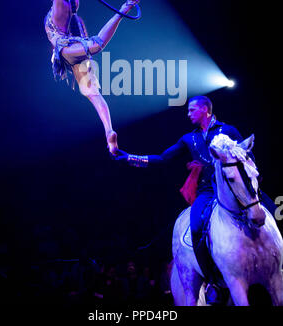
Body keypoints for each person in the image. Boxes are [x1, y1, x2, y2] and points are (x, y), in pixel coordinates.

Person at [114, 95, 276, 304]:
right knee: (197, 225)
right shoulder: (188, 139)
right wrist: (129, 157)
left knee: (269, 209)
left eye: (192, 110)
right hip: (207, 192)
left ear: (205, 110)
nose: (188, 114)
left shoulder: (228, 130)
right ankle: (211, 275)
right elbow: (163, 159)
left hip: (236, 188)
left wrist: (252, 176)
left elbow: (248, 157)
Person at [44, 0, 142, 155]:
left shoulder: (59, 4)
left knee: (97, 45)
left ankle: (123, 8)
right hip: (73, 50)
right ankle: (108, 132)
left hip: (67, 50)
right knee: (94, 95)